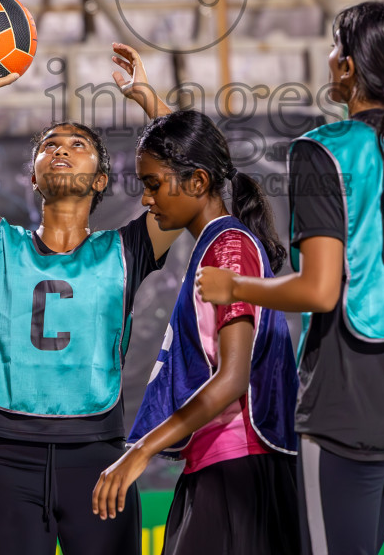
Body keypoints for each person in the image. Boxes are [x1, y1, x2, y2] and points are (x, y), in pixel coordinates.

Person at [196, 0, 384, 555]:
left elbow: (318, 289)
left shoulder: (323, 152)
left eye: (336, 45)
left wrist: (234, 287)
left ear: (348, 67)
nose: (330, 55)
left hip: (349, 396)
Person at [0, 42, 181, 555]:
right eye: (50, 145)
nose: (60, 149)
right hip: (4, 456)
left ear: (101, 180)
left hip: (99, 456)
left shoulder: (128, 248)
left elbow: (192, 178)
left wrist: (149, 98)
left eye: (77, 145)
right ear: (34, 176)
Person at [94, 109, 301, 554]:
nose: (147, 199)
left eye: (152, 185)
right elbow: (192, 150)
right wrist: (153, 106)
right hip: (219, 462)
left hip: (240, 468)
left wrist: (140, 451)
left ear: (199, 182)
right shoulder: (218, 243)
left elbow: (232, 379)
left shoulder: (228, 249)